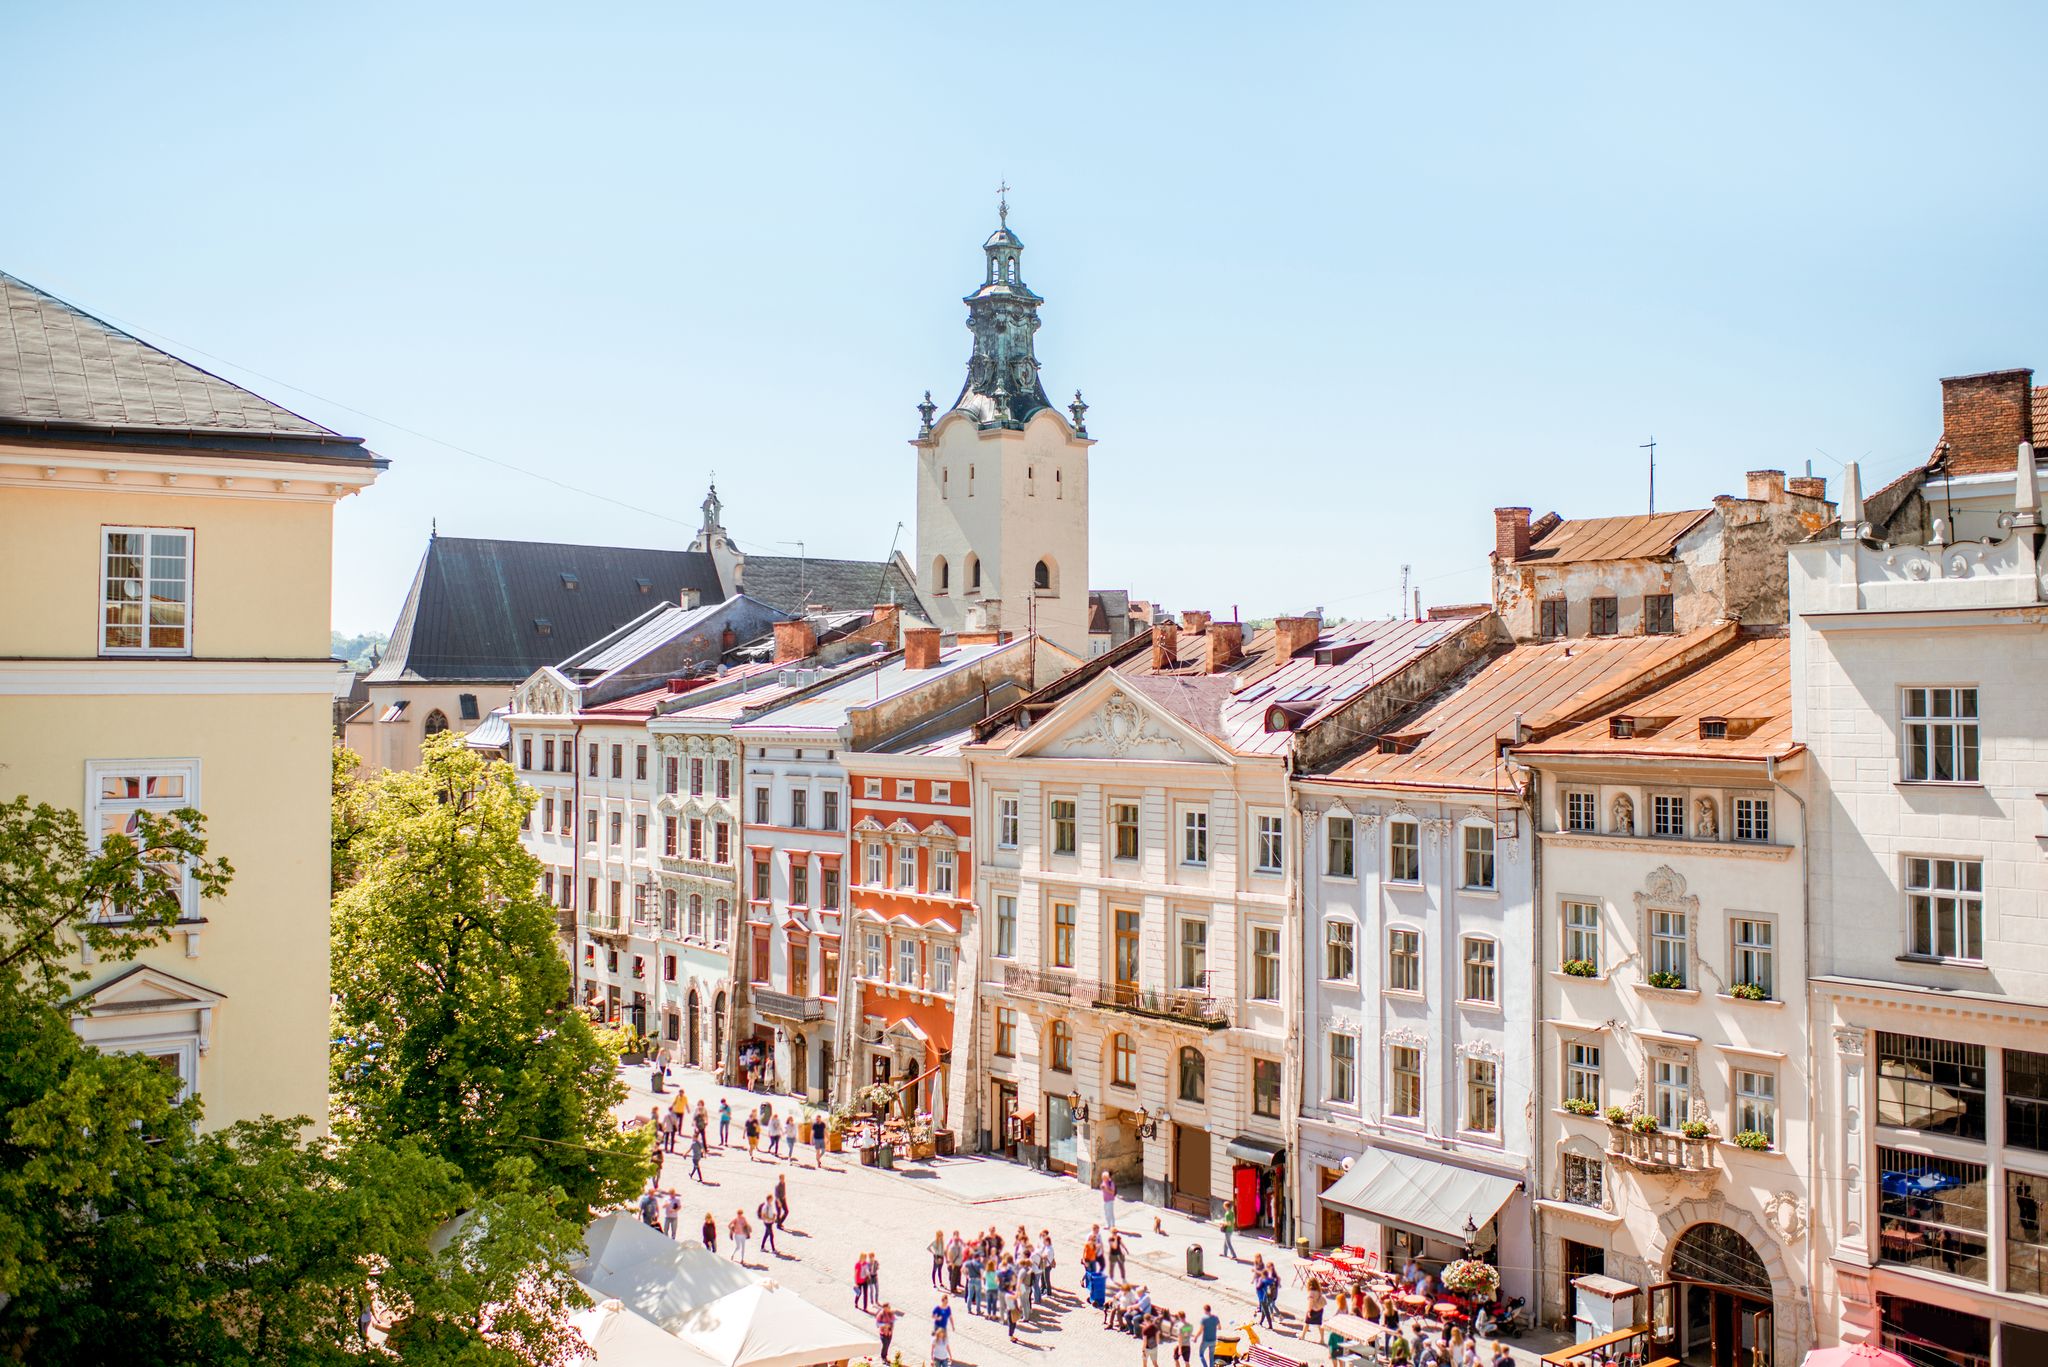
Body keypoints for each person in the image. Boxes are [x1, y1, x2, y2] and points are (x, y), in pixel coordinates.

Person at [931, 1295, 953, 1367]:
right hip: (937, 1327)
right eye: (945, 1301)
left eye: (947, 1302)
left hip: (944, 1328)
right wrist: (937, 1318)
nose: (946, 1303)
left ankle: (944, 1354)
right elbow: (932, 1316)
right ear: (942, 1301)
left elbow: (950, 1317)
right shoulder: (938, 1308)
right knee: (937, 1340)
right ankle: (936, 1356)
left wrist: (953, 1326)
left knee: (945, 1341)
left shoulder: (948, 1308)